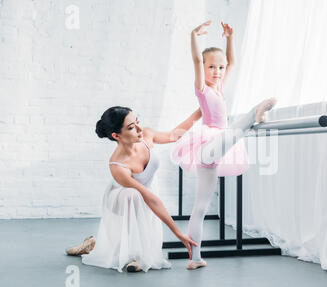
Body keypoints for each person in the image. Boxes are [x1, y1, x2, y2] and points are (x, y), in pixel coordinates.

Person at [170, 20, 277, 270]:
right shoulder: (202, 90)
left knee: (200, 208)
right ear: (204, 69)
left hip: (214, 153)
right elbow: (196, 61)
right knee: (232, 133)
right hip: (207, 143)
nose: (217, 71)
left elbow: (232, 62)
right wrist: (193, 36)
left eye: (219, 68)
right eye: (212, 68)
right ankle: (254, 113)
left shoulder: (218, 88)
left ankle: (195, 259)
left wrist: (230, 37)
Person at [65, 106, 200, 272]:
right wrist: (179, 234)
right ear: (116, 136)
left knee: (139, 196)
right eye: (131, 127)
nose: (139, 129)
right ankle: (134, 255)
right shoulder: (117, 165)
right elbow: (148, 197)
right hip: (121, 198)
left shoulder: (146, 136)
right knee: (134, 195)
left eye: (138, 122)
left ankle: (94, 243)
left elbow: (174, 135)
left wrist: (201, 111)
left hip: (146, 192)